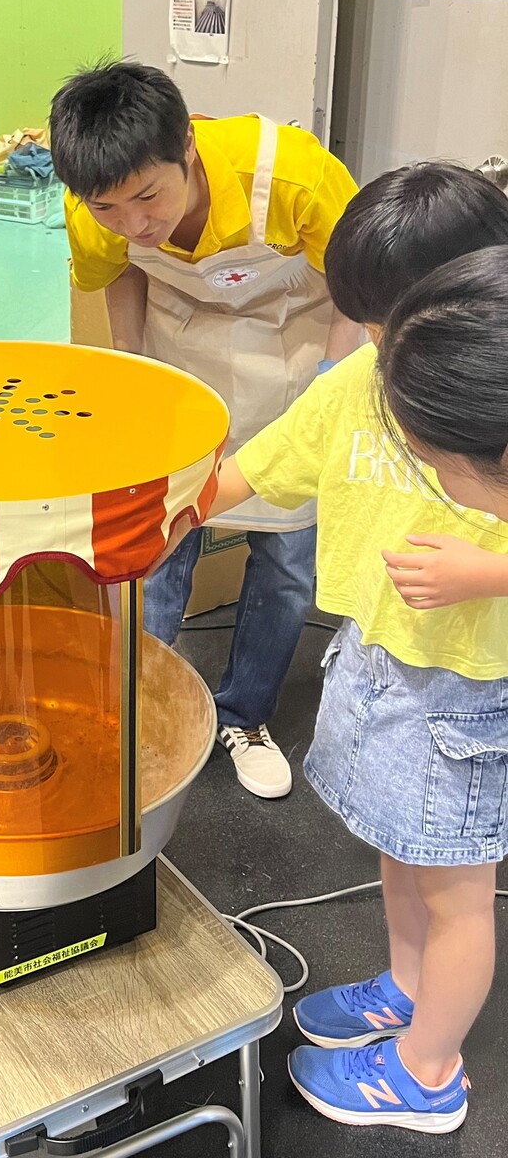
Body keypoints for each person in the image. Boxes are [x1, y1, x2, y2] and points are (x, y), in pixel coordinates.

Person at [207, 164, 508, 1133]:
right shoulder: (359, 380)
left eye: (398, 326)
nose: (382, 349)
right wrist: (172, 505)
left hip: (468, 688)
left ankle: (429, 1072)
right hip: (375, 655)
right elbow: (265, 463)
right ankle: (407, 987)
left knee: (458, 892)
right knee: (398, 850)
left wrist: (488, 571)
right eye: (371, 325)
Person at [50, 62, 361, 799]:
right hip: (182, 367)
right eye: (108, 208)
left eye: (148, 197)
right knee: (159, 545)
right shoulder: (92, 204)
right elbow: (118, 272)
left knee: (286, 560)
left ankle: (245, 715)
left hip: (291, 363)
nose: (134, 223)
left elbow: (359, 279)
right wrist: (132, 366)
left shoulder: (293, 174)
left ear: (187, 145)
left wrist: (333, 383)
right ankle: (140, 709)